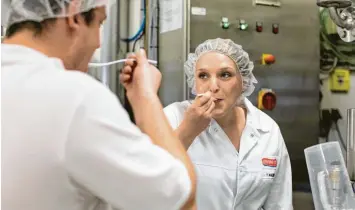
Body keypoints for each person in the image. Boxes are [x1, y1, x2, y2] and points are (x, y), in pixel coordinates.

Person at [1, 1, 197, 210]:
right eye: (100, 24)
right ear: (74, 15)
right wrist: (146, 99)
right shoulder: (75, 99)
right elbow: (179, 199)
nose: (98, 43)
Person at [163, 38, 293, 210]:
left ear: (243, 81)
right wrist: (188, 130)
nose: (213, 86)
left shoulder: (268, 130)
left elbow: (280, 204)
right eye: (203, 76)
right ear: (194, 82)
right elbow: (147, 183)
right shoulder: (174, 117)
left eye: (225, 75)